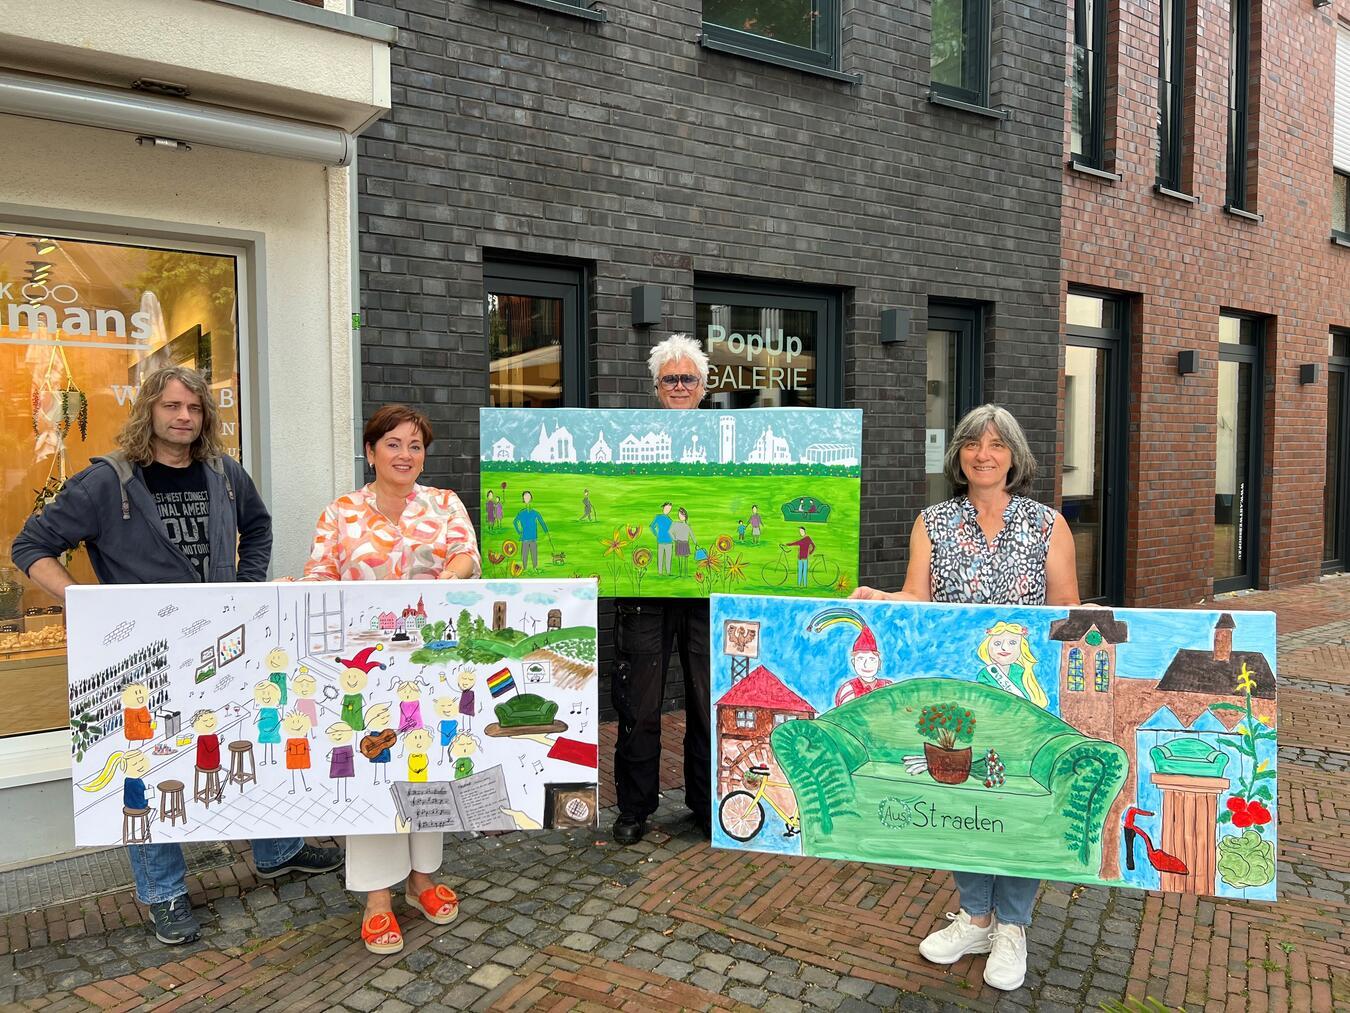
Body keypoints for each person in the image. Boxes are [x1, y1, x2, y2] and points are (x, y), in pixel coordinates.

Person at [10, 365, 341, 946]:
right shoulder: (107, 482)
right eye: (171, 407)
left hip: (223, 644)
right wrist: (83, 602)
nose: (184, 417)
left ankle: (277, 849)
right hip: (142, 656)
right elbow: (30, 545)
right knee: (148, 764)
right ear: (149, 411)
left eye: (193, 408)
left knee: (250, 739)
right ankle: (163, 893)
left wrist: (245, 583)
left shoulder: (224, 472)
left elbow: (257, 529)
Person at [852, 403, 1079, 992]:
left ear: (1015, 457)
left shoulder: (1048, 525)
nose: (985, 454)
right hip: (957, 695)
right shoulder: (931, 522)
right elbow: (917, 598)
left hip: (1022, 696)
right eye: (974, 444)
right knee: (965, 798)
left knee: (1017, 800)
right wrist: (883, 600)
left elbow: (1068, 613)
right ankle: (975, 916)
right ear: (957, 455)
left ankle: (1013, 926)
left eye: (998, 444)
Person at [302, 403, 479, 955]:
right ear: (371, 450)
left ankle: (422, 877)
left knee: (428, 765)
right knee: (375, 767)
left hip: (432, 665)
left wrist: (451, 572)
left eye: (415, 445)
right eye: (394, 444)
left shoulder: (444, 504)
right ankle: (379, 898)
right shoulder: (341, 513)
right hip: (365, 670)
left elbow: (468, 559)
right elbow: (318, 578)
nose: (406, 455)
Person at [612, 334, 713, 845]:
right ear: (657, 386)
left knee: (706, 697)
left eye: (687, 378)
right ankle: (633, 807)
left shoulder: (722, 439)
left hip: (705, 596)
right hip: (644, 593)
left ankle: (705, 801)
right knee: (639, 700)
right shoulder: (638, 437)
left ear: (703, 385)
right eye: (670, 379)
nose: (679, 386)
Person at [512, 490, 547, 571]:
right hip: (524, 537)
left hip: (533, 537)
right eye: (525, 497)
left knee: (534, 553)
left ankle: (535, 568)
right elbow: (514, 522)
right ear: (523, 499)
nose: (527, 498)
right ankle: (524, 568)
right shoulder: (521, 513)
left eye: (528, 496)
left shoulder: (535, 512)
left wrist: (546, 532)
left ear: (531, 498)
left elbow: (541, 521)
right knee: (524, 554)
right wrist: (519, 531)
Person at [650, 502, 675, 575]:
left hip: (669, 541)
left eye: (669, 509)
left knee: (668, 558)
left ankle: (668, 572)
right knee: (660, 557)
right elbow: (652, 526)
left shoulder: (670, 520)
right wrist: (656, 534)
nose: (668, 510)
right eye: (667, 508)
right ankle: (660, 572)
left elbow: (672, 530)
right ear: (663, 508)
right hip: (660, 541)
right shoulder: (658, 517)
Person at [669, 507, 694, 577]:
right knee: (680, 559)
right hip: (679, 543)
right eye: (679, 515)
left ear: (685, 516)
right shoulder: (675, 524)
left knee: (685, 559)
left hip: (685, 543)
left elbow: (691, 535)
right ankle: (680, 574)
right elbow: (670, 532)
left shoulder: (687, 526)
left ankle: (685, 574)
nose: (680, 516)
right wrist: (674, 539)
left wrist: (695, 543)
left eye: (682, 515)